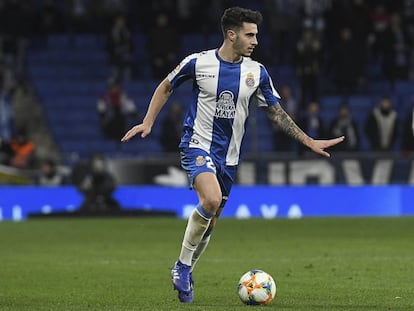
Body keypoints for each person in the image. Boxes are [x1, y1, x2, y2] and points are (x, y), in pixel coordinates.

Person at [121, 7, 344, 303]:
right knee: (210, 200)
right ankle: (183, 268)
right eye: (250, 34)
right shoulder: (198, 63)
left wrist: (309, 140)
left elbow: (276, 113)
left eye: (256, 35)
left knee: (211, 220)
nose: (255, 40)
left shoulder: (256, 72)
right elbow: (166, 86)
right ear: (231, 34)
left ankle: (184, 267)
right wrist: (148, 121)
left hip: (229, 157)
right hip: (196, 144)